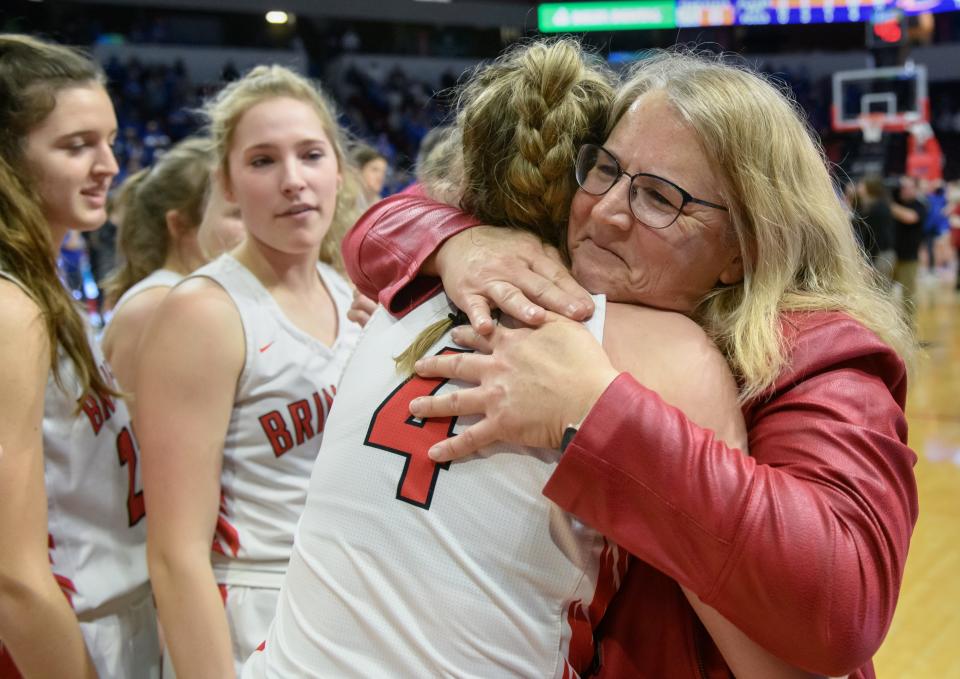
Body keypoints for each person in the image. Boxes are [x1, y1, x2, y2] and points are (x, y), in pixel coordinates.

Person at [247, 40, 826, 679]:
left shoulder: (409, 287)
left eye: (660, 198)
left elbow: (383, 228)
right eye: (604, 170)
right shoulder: (671, 354)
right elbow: (776, 663)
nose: (609, 212)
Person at [137, 64, 363, 677]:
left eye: (311, 155)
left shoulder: (350, 298)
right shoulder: (203, 312)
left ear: (337, 171)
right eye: (263, 161)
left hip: (345, 608)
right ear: (228, 184)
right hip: (248, 612)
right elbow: (176, 554)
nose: (293, 180)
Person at [0, 34, 158, 677]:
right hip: (54, 640)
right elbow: (11, 575)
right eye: (75, 146)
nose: (108, 165)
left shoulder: (40, 286)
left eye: (110, 141)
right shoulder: (11, 309)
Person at [101, 136, 213, 403]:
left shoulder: (185, 295)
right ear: (179, 224)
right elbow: (135, 439)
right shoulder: (157, 306)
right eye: (235, 214)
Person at [891, 175, 927, 321]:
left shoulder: (920, 205)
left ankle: (908, 330)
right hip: (892, 256)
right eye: (903, 187)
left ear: (915, 189)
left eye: (908, 187)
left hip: (909, 258)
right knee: (881, 292)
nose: (904, 190)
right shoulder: (896, 200)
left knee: (908, 297)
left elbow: (910, 217)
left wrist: (890, 206)